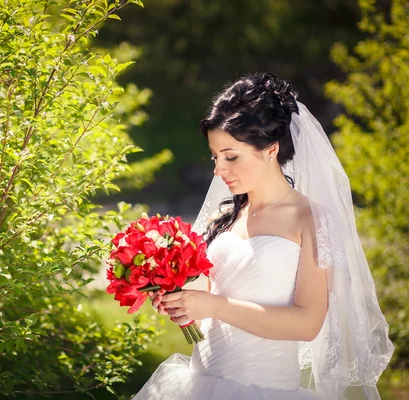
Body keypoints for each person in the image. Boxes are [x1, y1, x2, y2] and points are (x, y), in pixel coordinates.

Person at [132, 73, 394, 400]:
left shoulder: (310, 219)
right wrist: (180, 300)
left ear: (270, 150)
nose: (218, 169)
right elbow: (217, 296)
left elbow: (307, 324)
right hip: (199, 385)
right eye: (215, 156)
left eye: (231, 156)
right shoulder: (224, 218)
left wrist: (214, 305)